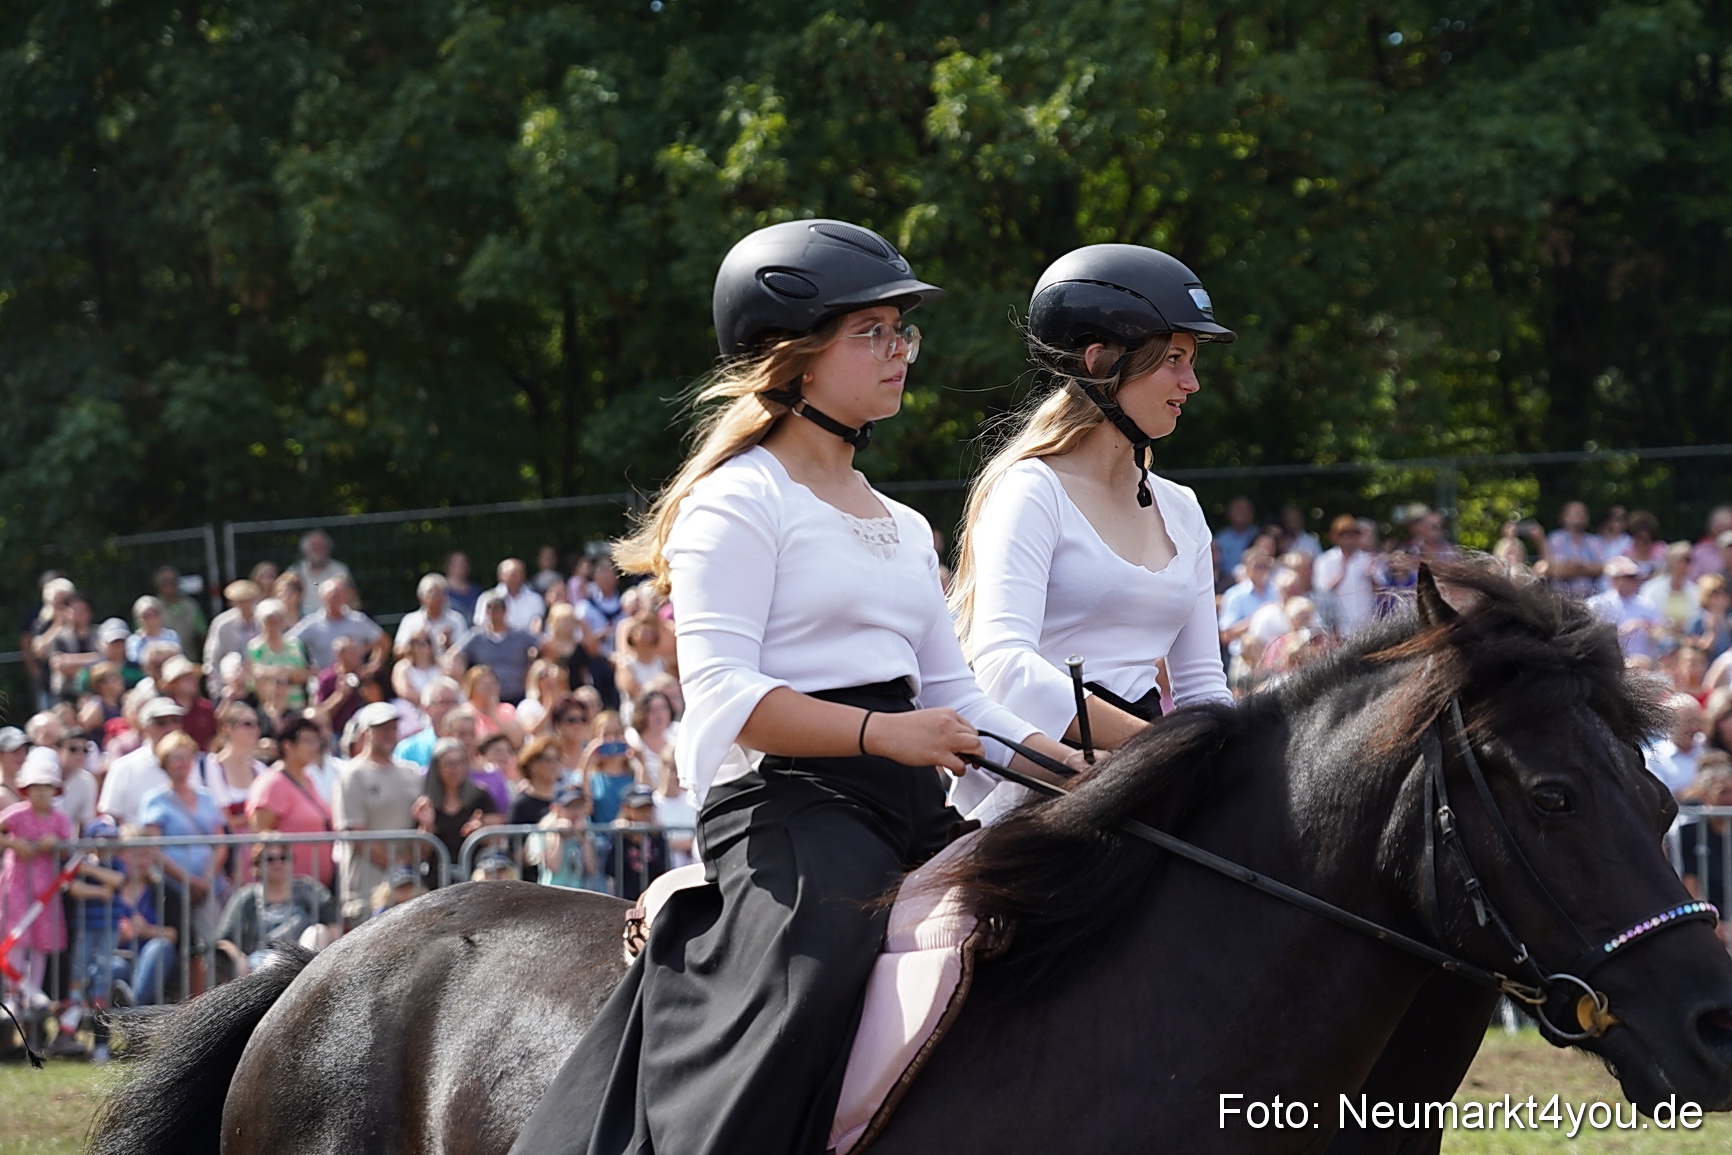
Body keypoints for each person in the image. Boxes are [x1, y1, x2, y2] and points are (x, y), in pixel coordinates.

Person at [509, 217, 1073, 1155]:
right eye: (875, 333)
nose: (900, 352)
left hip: (910, 802)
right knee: (817, 971)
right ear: (797, 357)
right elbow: (726, 694)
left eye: (904, 332)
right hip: (789, 805)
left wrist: (1083, 771)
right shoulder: (738, 499)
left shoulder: (902, 521)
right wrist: (885, 734)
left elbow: (963, 702)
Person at [947, 243, 1234, 820]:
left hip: (1152, 775)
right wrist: (1154, 751)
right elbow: (1003, 666)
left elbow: (1203, 686)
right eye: (1174, 358)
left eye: (1192, 361)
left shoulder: (1183, 508)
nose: (1192, 382)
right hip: (1039, 785)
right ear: (1100, 362)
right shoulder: (1031, 490)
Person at [332, 703, 423, 922]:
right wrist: (397, 865)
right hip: (367, 887)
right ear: (365, 733)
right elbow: (355, 833)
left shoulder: (412, 772)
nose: (389, 734)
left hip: (408, 887)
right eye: (381, 728)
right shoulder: (352, 775)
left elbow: (422, 827)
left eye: (392, 728)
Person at [1, 753, 73, 1024]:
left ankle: (34, 992)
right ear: (26, 789)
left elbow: (69, 850)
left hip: (47, 888)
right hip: (17, 884)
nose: (42, 792)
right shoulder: (17, 814)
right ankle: (14, 993)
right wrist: (13, 844)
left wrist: (56, 843)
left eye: (47, 787)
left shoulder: (59, 819)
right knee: (18, 938)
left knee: (43, 940)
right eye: (36, 787)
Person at [138, 731, 228, 943]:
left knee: (214, 939)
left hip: (209, 887)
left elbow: (221, 842)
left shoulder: (206, 796)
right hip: (172, 889)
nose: (182, 763)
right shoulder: (155, 800)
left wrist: (205, 880)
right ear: (164, 763)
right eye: (176, 758)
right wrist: (189, 882)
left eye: (187, 757)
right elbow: (154, 848)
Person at [213, 839, 340, 977]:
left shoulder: (309, 890)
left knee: (318, 932)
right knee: (275, 961)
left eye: (283, 858)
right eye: (270, 859)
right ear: (257, 866)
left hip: (305, 960)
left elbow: (334, 927)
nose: (278, 863)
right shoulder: (246, 897)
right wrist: (239, 958)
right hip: (262, 962)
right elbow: (224, 940)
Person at [246, 715, 337, 889]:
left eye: (316, 741)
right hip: (288, 892)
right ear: (288, 746)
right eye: (308, 741)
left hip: (315, 888)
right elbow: (258, 835)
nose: (315, 747)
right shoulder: (272, 784)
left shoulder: (307, 780)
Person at [412, 737, 503, 870]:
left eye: (461, 762)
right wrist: (427, 825)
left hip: (476, 876)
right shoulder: (427, 803)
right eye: (449, 764)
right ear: (437, 768)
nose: (456, 769)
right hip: (438, 877)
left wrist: (480, 830)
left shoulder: (480, 795)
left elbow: (498, 838)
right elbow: (421, 854)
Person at [98, 697, 186, 825]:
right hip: (139, 842)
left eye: (176, 721)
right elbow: (111, 817)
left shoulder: (199, 764)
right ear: (144, 727)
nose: (170, 728)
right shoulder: (122, 767)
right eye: (161, 722)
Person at [290, 578, 388, 674]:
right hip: (323, 678)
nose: (336, 599)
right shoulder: (312, 623)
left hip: (355, 677)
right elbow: (288, 643)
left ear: (346, 596)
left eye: (339, 595)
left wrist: (373, 665)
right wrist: (303, 668)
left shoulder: (357, 620)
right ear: (323, 598)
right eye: (332, 596)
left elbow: (383, 642)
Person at [461, 594, 539, 705]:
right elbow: (456, 655)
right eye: (490, 609)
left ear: (505, 611)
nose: (494, 613)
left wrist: (532, 666)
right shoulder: (476, 637)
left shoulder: (520, 636)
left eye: (497, 609)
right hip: (485, 697)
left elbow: (545, 645)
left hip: (516, 695)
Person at [1589, 555, 1667, 659]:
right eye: (1629, 577)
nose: (1635, 580)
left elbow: (1662, 634)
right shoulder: (1597, 604)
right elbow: (1590, 636)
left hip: (1643, 664)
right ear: (1614, 579)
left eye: (1635, 577)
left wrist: (1652, 630)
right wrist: (1622, 631)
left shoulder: (1647, 605)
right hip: (1609, 661)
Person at [247, 599, 312, 711]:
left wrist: (270, 672)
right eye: (269, 620)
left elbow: (304, 674)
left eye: (277, 619)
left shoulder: (294, 645)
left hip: (295, 704)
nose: (274, 624)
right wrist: (284, 672)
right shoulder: (255, 647)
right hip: (269, 706)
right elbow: (253, 680)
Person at [203, 579, 262, 696]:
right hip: (232, 685)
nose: (244, 605)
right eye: (239, 601)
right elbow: (212, 657)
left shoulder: (264, 619)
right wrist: (216, 688)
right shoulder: (222, 623)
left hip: (261, 683)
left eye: (247, 600)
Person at [394, 677, 463, 768]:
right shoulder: (408, 749)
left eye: (454, 702)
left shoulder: (468, 745)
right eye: (444, 702)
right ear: (427, 709)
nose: (450, 708)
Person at [1543, 501, 1607, 598]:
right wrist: (1585, 568)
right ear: (1565, 517)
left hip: (1590, 599)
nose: (1580, 515)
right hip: (1561, 599)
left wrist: (1576, 567)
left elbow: (1602, 568)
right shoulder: (1555, 539)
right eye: (1576, 513)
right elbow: (1552, 569)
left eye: (1583, 513)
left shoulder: (1594, 541)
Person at [159, 654, 219, 750]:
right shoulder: (162, 711)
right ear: (174, 683)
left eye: (194, 677)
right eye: (187, 678)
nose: (194, 681)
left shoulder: (206, 708)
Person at [509, 736, 564, 828]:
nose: (554, 765)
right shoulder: (522, 805)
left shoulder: (565, 798)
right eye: (548, 760)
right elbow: (513, 840)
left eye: (557, 759)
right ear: (532, 764)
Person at [153, 566, 208, 657]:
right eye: (165, 583)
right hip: (159, 664)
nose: (169, 586)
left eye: (173, 582)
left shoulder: (191, 606)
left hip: (187, 662)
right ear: (158, 586)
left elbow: (203, 634)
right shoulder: (152, 607)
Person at [482, 558, 547, 634]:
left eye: (521, 573)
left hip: (528, 643)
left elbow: (539, 626)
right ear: (501, 576)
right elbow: (481, 625)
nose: (518, 577)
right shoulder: (487, 598)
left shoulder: (535, 599)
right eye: (513, 574)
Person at [292, 530, 355, 604]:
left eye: (321, 546)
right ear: (306, 550)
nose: (318, 550)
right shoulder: (296, 571)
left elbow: (351, 598)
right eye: (314, 547)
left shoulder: (339, 570)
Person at [125, 596, 182, 664]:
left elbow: (178, 656)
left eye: (154, 613)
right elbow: (135, 661)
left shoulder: (171, 635)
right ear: (138, 619)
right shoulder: (134, 640)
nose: (151, 619)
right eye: (146, 615)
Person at [443, 551, 481, 621]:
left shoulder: (476, 590)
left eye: (464, 563)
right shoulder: (441, 590)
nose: (462, 566)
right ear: (448, 566)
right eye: (458, 564)